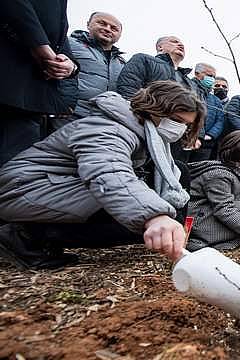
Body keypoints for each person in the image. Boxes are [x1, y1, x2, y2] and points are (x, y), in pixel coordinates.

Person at [0, 81, 205, 269]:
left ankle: (41, 234)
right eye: (176, 120)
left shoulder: (145, 136)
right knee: (130, 217)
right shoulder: (109, 129)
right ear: (156, 108)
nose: (180, 129)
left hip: (55, 188)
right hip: (25, 189)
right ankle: (25, 234)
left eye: (186, 125)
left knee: (178, 170)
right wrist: (155, 216)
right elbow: (109, 172)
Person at [0, 0, 79, 166]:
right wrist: (40, 45)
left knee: (15, 168)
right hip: (8, 81)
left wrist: (70, 67)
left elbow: (60, 42)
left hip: (32, 101)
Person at [67, 12, 125, 119]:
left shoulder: (122, 62)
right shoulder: (68, 43)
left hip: (105, 120)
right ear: (88, 24)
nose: (108, 29)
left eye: (114, 28)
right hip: (69, 114)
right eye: (102, 23)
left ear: (119, 35)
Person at [189, 63, 224, 161]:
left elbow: (220, 120)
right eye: (209, 75)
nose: (212, 79)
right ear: (197, 73)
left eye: (214, 76)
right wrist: (195, 135)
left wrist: (210, 135)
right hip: (187, 138)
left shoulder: (215, 100)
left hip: (206, 143)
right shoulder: (188, 89)